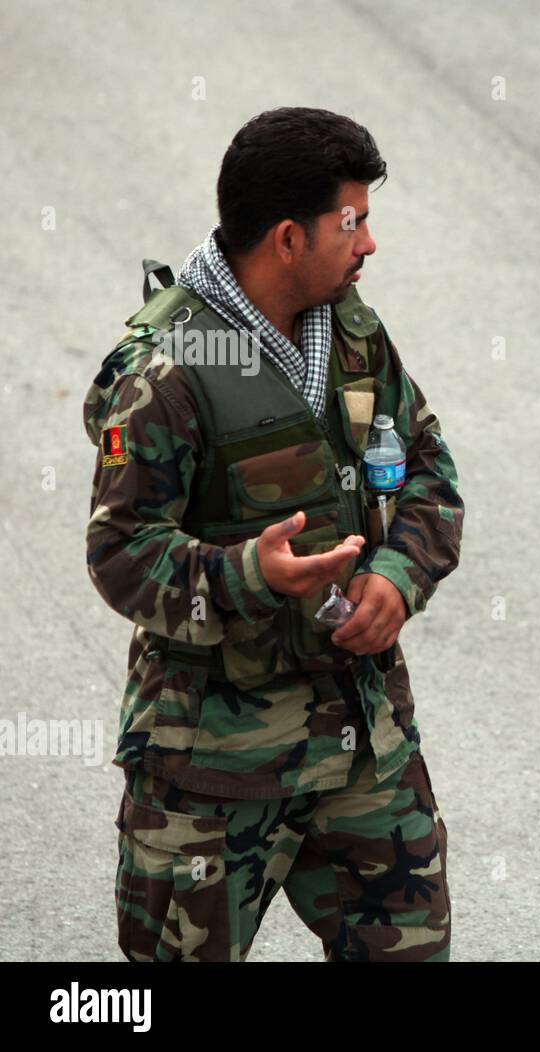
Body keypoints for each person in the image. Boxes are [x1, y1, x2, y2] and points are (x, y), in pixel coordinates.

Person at [84, 107, 465, 962]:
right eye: (351, 222)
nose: (368, 244)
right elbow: (120, 551)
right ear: (289, 237)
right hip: (211, 770)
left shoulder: (353, 334)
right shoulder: (169, 370)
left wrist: (398, 577)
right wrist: (247, 575)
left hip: (361, 742)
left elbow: (430, 468)